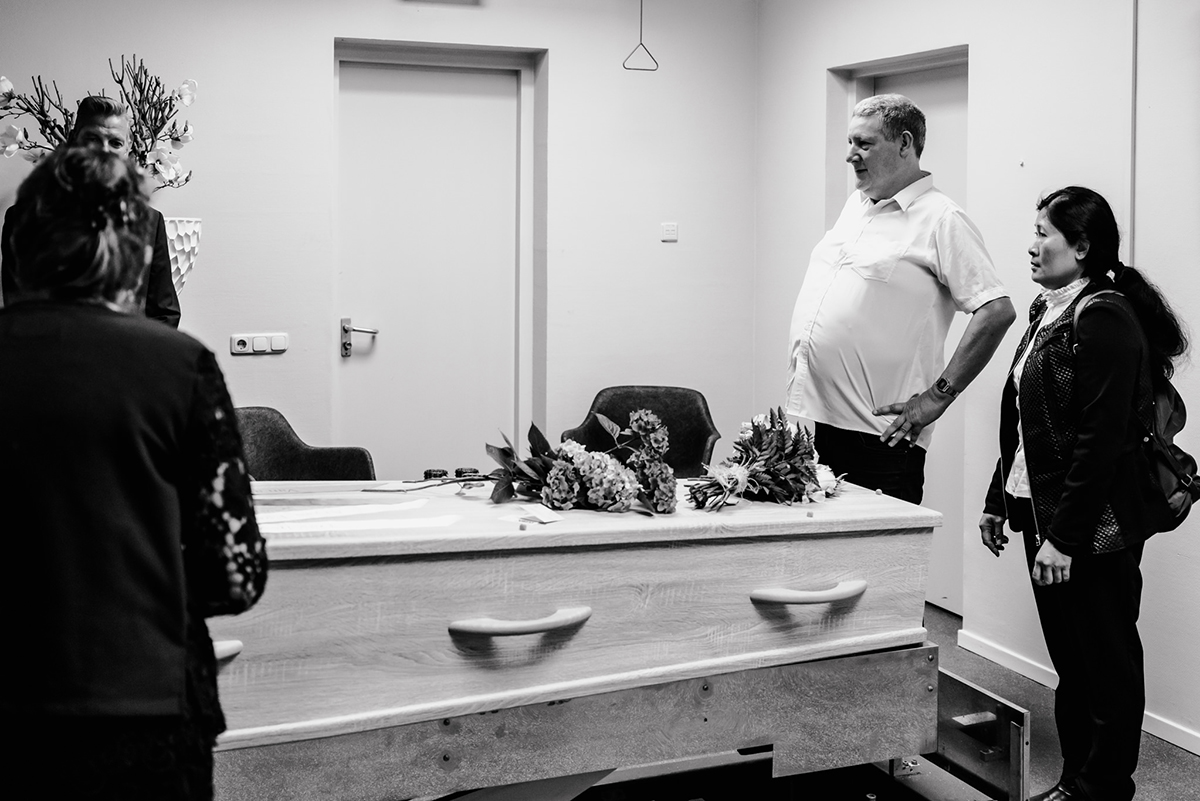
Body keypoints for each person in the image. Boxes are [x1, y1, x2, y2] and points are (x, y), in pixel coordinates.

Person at [0, 147, 266, 799]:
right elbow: (235, 576)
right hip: (144, 711)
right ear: (133, 252)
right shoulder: (178, 365)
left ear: (22, 243)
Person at [978, 186, 1187, 801]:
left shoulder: (1104, 316)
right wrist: (999, 499)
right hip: (1047, 516)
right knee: (1072, 662)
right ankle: (1076, 782)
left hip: (1094, 527)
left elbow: (1100, 441)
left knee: (1107, 663)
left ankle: (1105, 787)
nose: (1031, 244)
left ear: (1083, 245)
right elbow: (1028, 425)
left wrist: (1064, 539)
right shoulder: (1049, 310)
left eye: (1043, 232)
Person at [786, 93, 1016, 503]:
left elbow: (996, 311)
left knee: (879, 547)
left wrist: (938, 396)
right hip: (825, 426)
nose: (851, 155)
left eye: (864, 143)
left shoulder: (942, 218)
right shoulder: (857, 206)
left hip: (882, 439)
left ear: (904, 144)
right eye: (850, 142)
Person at [1, 94, 181, 327]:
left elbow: (164, 312)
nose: (104, 150)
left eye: (115, 143)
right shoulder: (22, 217)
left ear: (128, 147)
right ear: (73, 140)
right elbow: (17, 307)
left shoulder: (150, 221)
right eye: (93, 138)